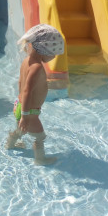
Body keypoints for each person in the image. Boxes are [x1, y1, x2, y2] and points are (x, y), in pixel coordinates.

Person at [6, 24, 64, 165]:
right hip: (29, 112)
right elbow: (27, 91)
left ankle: (10, 144)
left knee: (21, 130)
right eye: (53, 53)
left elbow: (21, 83)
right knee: (40, 137)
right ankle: (40, 159)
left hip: (19, 105)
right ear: (45, 50)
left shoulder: (26, 61)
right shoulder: (36, 67)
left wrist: (22, 111)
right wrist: (25, 116)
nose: (54, 57)